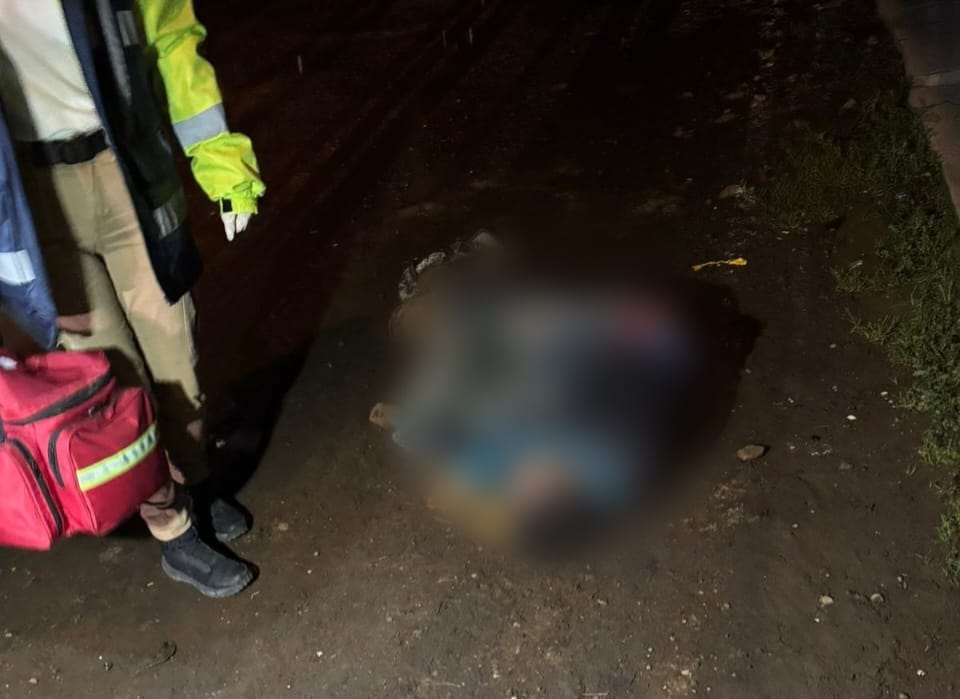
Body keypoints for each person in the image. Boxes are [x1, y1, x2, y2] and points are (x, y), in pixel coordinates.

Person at [0, 0, 265, 598]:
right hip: (31, 200)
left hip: (125, 169)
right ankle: (173, 531)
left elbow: (174, 39)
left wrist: (222, 163)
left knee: (176, 357)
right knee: (112, 386)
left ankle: (194, 482)